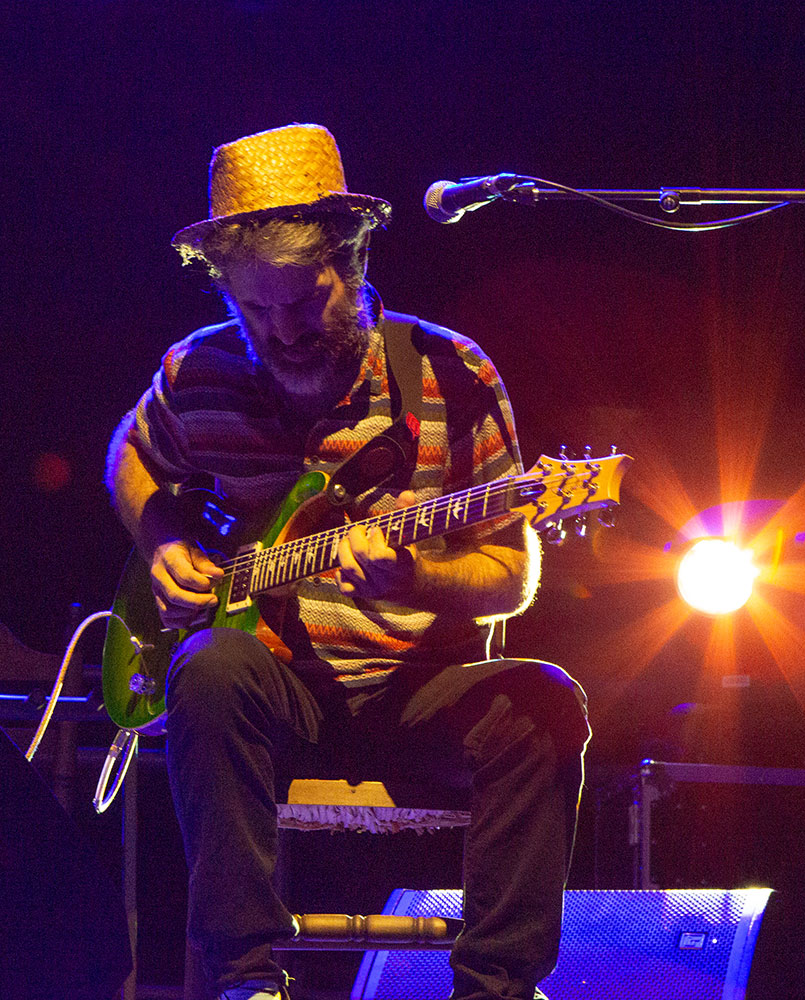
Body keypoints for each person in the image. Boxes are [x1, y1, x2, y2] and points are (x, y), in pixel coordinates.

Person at [105, 123, 589, 1000]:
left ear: (354, 263)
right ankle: (249, 983)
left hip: (414, 689)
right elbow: (129, 457)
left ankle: (498, 987)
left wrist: (423, 577)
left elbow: (514, 575)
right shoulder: (197, 373)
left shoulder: (452, 372)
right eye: (254, 309)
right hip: (277, 693)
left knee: (545, 703)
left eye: (304, 302)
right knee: (207, 668)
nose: (281, 331)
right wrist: (164, 540)